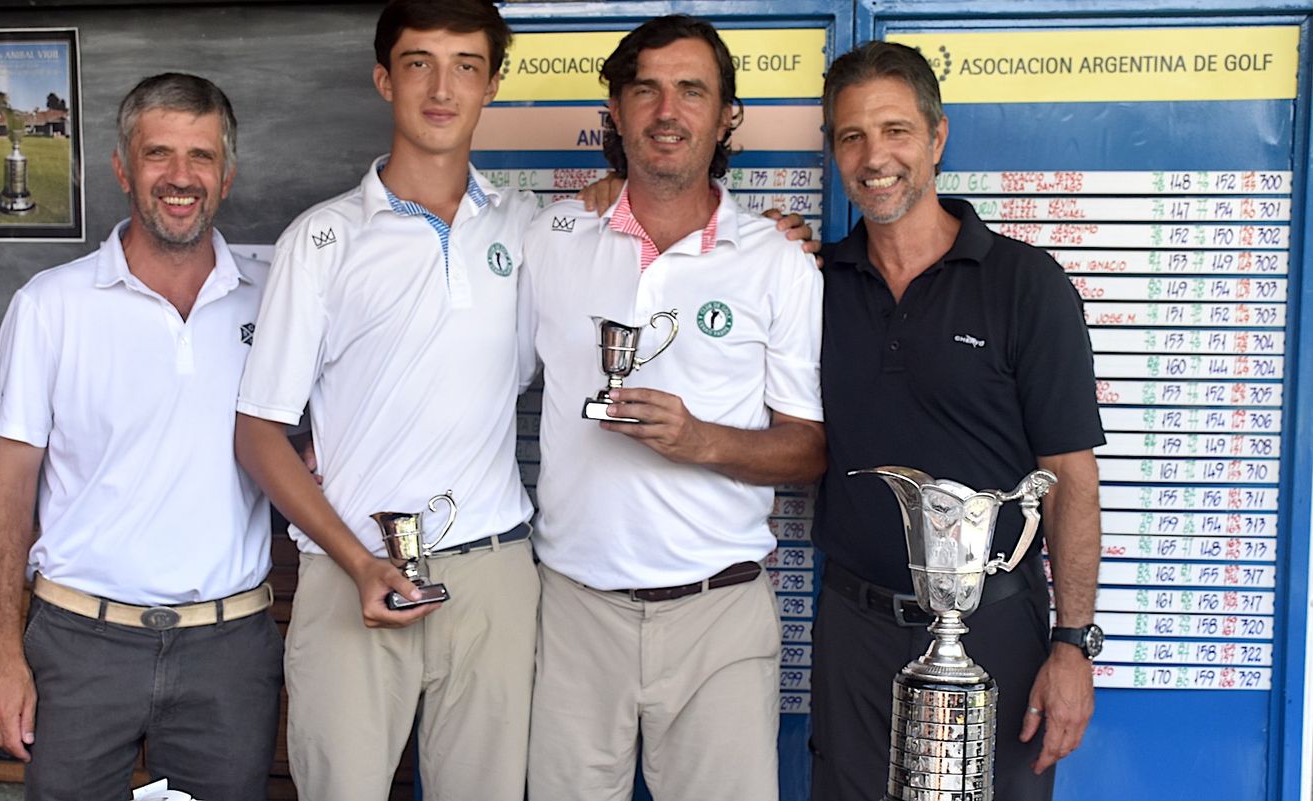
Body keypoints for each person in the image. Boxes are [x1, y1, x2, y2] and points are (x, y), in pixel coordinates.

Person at [233, 2, 538, 798]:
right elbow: (260, 434)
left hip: (496, 575)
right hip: (350, 569)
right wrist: (357, 560)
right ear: (383, 78)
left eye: (466, 65)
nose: (443, 87)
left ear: (492, 85)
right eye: (418, 63)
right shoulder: (322, 238)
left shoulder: (531, 227)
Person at [518, 15, 826, 801]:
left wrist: (701, 441)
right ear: (614, 111)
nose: (667, 110)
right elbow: (476, 376)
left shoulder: (777, 260)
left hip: (718, 614)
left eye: (692, 90)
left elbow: (808, 450)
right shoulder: (549, 237)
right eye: (645, 89)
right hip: (571, 609)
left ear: (726, 116)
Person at [0, 73, 282, 801]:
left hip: (229, 647)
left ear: (227, 175)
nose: (181, 177)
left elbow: (310, 445)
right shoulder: (50, 305)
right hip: (80, 643)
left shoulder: (274, 301)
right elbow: (8, 485)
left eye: (201, 157)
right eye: (158, 154)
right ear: (122, 168)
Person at [811, 41, 1105, 801]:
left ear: (937, 138)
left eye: (896, 130)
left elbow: (1071, 475)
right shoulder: (812, 283)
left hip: (996, 634)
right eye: (852, 136)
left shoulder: (1024, 284)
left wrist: (1072, 645)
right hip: (856, 631)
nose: (876, 156)